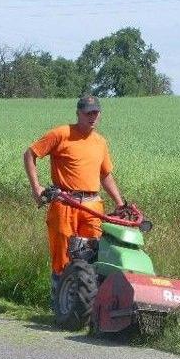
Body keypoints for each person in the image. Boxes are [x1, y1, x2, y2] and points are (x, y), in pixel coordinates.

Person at [23, 95, 125, 306]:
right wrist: (36, 189)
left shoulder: (100, 142)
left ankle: (90, 307)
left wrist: (119, 203)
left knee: (93, 254)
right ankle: (59, 305)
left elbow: (105, 175)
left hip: (92, 206)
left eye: (96, 113)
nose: (92, 117)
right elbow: (30, 154)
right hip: (65, 203)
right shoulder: (61, 134)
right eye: (88, 113)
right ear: (78, 113)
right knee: (63, 256)